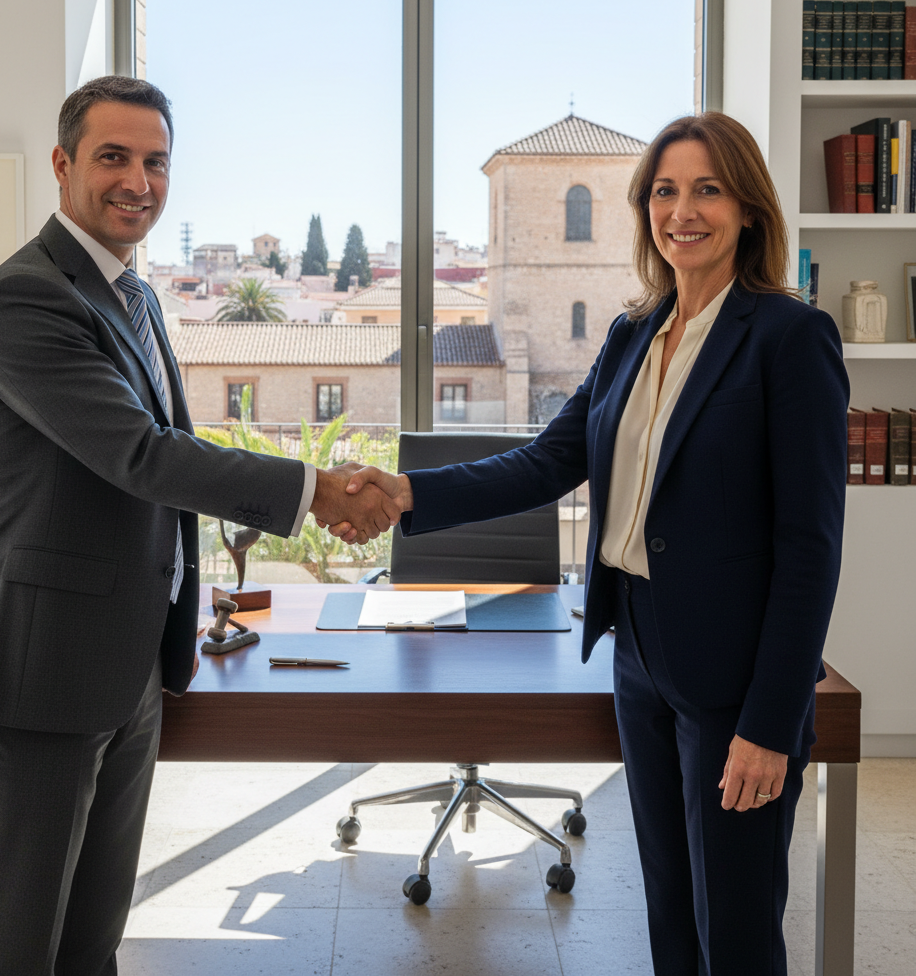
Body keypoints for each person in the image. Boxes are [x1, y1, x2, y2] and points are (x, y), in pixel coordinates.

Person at [330, 112, 848, 975]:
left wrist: (770, 721)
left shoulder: (788, 339)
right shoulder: (631, 335)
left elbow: (810, 546)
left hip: (733, 675)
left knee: (739, 925)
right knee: (671, 910)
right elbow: (545, 463)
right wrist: (409, 493)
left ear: (750, 209)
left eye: (708, 189)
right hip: (638, 653)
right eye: (664, 191)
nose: (682, 210)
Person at [0, 75, 397, 976]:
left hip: (127, 660)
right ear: (66, 164)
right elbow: (143, 456)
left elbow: (170, 455)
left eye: (156, 162)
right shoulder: (26, 300)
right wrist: (317, 490)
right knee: (19, 937)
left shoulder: (135, 299)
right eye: (113, 157)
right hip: (41, 664)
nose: (137, 181)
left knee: (92, 934)